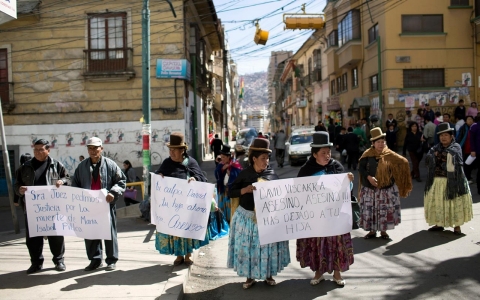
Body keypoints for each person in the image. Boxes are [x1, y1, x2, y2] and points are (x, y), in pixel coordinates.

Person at [227, 138, 290, 289]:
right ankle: (250, 277)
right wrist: (244, 190)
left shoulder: (272, 174)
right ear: (254, 158)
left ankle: (269, 275)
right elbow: (230, 191)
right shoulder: (244, 174)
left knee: (268, 247)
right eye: (263, 158)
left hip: (267, 220)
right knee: (248, 248)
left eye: (268, 158)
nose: (266, 161)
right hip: (247, 218)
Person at [296, 132, 354, 286]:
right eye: (323, 153)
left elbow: (347, 191)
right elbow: (297, 191)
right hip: (316, 217)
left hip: (335, 215)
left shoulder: (336, 166)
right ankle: (318, 272)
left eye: (328, 152)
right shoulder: (306, 170)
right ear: (315, 154)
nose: (327, 155)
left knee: (336, 244)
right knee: (317, 244)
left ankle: (337, 273)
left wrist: (349, 182)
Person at [14, 140, 70, 274]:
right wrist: (19, 190)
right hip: (33, 209)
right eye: (35, 150)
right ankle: (36, 263)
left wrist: (63, 181)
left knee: (56, 236)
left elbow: (68, 178)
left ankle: (59, 260)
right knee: (33, 238)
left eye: (41, 149)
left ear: (48, 150)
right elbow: (16, 185)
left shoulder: (56, 165)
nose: (38, 152)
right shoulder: (25, 167)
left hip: (53, 208)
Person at [71, 137, 126, 271]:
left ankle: (111, 260)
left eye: (96, 148)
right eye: (90, 148)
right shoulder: (82, 166)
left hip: (106, 205)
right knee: (90, 233)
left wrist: (113, 192)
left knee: (109, 233)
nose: (93, 151)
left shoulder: (110, 164)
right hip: (88, 207)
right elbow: (75, 184)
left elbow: (121, 181)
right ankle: (95, 260)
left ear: (101, 149)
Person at [154, 132, 208, 266]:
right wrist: (159, 175)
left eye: (174, 150)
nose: (171, 153)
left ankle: (188, 255)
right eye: (170, 150)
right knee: (175, 231)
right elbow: (157, 176)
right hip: (173, 205)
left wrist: (195, 179)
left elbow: (202, 178)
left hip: (188, 205)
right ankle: (179, 255)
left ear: (182, 150)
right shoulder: (167, 163)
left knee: (187, 230)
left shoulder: (191, 162)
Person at [359, 129, 413, 240]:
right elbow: (361, 168)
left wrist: (399, 175)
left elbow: (404, 162)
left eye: (382, 142)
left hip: (386, 189)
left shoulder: (390, 155)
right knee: (371, 210)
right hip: (370, 189)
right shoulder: (367, 155)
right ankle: (372, 231)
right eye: (378, 142)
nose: (381, 144)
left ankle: (383, 231)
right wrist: (368, 177)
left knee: (384, 210)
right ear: (373, 144)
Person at [424, 123, 473, 235]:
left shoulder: (456, 147)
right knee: (438, 204)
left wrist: (438, 155)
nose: (443, 137)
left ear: (451, 136)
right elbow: (428, 158)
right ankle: (439, 223)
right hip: (437, 180)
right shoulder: (435, 147)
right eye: (441, 135)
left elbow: (451, 156)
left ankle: (457, 226)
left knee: (455, 203)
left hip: (454, 181)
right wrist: (438, 155)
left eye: (446, 135)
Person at [215, 145, 242, 223]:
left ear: (228, 157)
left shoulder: (235, 165)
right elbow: (217, 175)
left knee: (230, 210)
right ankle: (223, 223)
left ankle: (231, 222)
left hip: (230, 192)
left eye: (224, 157)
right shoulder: (221, 164)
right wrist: (221, 169)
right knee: (222, 210)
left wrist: (230, 174)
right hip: (222, 190)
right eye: (221, 157)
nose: (222, 159)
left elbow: (238, 177)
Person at [456, 116, 475, 183]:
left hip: (473, 149)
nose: (470, 121)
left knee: (471, 164)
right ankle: (466, 177)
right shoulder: (463, 128)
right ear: (465, 121)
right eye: (468, 119)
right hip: (464, 148)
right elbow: (458, 138)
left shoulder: (474, 128)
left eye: (471, 119)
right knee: (466, 164)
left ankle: (468, 176)